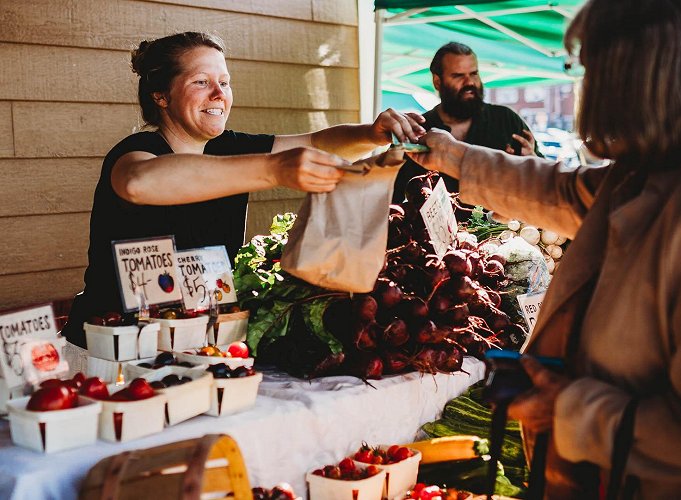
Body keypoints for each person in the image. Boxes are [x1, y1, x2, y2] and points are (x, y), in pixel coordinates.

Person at [407, 0, 681, 497]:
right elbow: (557, 188)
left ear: (638, 75)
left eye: (589, 67)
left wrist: (569, 409)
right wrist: (450, 154)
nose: (584, 86)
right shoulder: (644, 172)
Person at [63, 31, 425, 348]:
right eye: (201, 82)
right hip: (112, 345)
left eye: (225, 81)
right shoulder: (137, 151)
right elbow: (138, 182)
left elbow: (318, 141)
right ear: (161, 96)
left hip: (197, 340)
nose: (219, 94)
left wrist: (370, 134)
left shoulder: (230, 146)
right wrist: (272, 168)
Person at [392, 41, 542, 212]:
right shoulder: (416, 132)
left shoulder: (506, 120)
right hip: (432, 236)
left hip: (506, 234)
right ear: (437, 82)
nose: (469, 82)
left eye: (474, 73)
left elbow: (544, 186)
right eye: (458, 76)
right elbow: (391, 199)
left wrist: (532, 160)